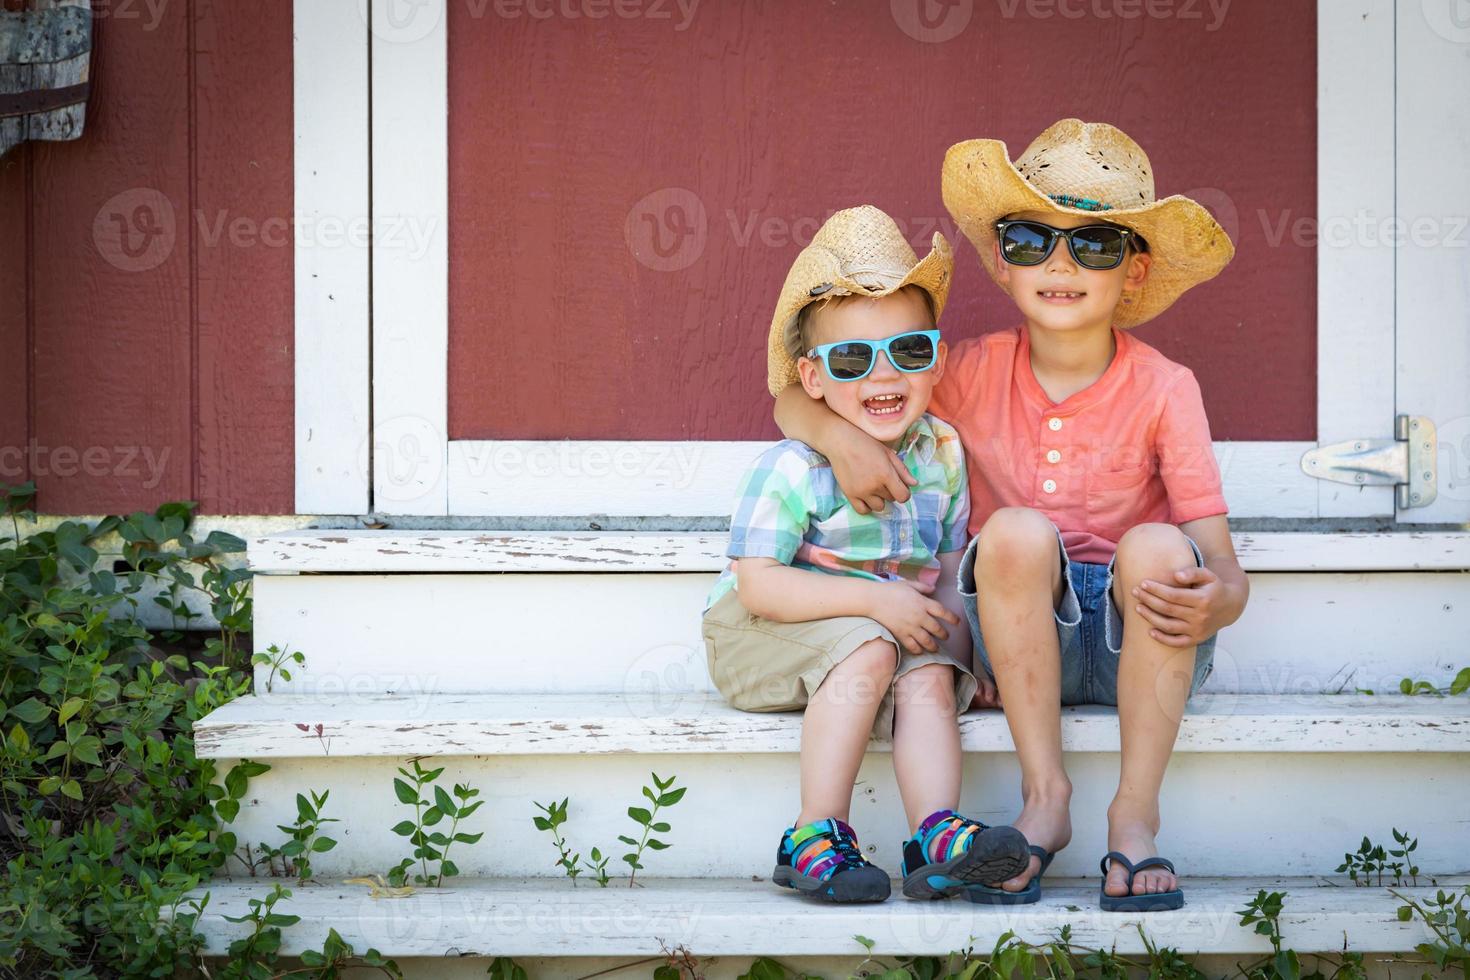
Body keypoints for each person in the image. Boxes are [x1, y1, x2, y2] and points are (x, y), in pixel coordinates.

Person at [769, 121, 1247, 911]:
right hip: (1014, 637)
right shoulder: (962, 371)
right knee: (1015, 530)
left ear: (1134, 270)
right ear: (999, 259)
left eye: (1092, 245)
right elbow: (793, 393)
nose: (1060, 266)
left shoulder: (1167, 387)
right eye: (1031, 240)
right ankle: (1045, 799)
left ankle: (1133, 818)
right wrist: (838, 438)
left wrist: (1224, 595)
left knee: (1159, 546)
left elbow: (1217, 559)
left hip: (1145, 631)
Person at [701, 205, 1029, 904]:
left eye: (909, 351)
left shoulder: (940, 451)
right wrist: (875, 601)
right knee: (873, 650)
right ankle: (813, 833)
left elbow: (942, 574)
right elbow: (758, 586)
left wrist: (968, 651)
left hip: (873, 631)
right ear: (811, 379)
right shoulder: (792, 468)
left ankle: (935, 837)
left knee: (930, 674)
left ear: (935, 355)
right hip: (760, 634)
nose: (884, 377)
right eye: (853, 359)